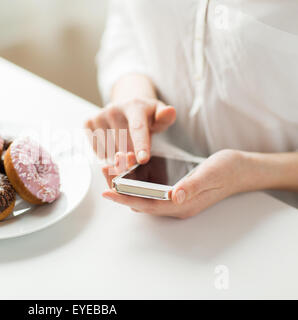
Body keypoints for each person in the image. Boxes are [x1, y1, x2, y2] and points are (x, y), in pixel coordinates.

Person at [85, 0, 298, 218]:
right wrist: (133, 96)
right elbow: (127, 25)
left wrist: (251, 172)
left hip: (279, 218)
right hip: (159, 189)